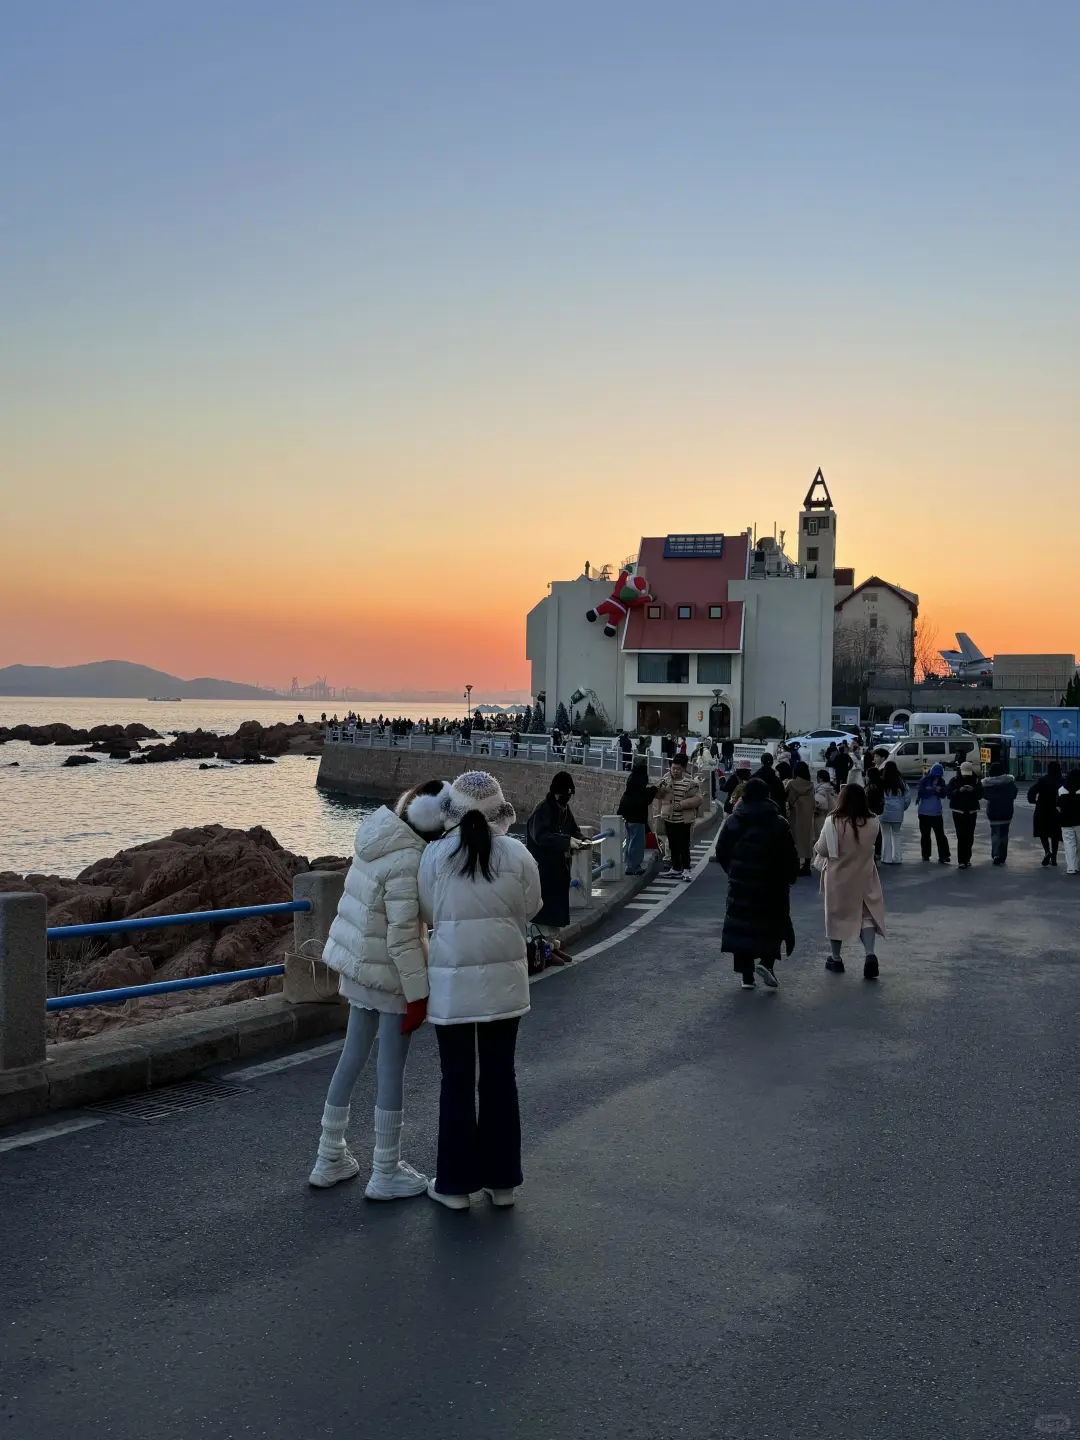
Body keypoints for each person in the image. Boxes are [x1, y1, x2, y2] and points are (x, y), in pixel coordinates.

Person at [310, 779, 449, 1197]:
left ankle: (328, 1156)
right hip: (390, 976)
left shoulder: (375, 835)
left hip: (357, 968)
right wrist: (418, 995)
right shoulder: (408, 859)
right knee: (391, 1068)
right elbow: (403, 938)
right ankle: (385, 1169)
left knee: (351, 1057)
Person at [419, 772, 542, 1209]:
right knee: (499, 1078)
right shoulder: (518, 853)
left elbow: (428, 910)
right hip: (505, 984)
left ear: (449, 812)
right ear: (500, 811)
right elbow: (533, 907)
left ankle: (454, 1186)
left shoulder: (435, 856)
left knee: (455, 1080)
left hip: (451, 986)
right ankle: (503, 1181)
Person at [716, 778, 800, 989]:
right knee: (770, 924)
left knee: (742, 926)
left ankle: (746, 976)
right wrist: (790, 877)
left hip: (741, 883)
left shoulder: (734, 820)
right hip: (772, 885)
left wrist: (733, 871)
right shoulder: (778, 822)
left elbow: (721, 850)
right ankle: (766, 963)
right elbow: (790, 855)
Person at [813, 783, 885, 980]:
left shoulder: (833, 821)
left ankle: (836, 958)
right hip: (865, 874)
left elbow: (822, 849)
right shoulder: (873, 821)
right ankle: (870, 954)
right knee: (866, 915)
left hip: (838, 876)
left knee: (836, 916)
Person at [526, 770, 586, 938]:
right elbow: (540, 836)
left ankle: (553, 944)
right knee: (543, 912)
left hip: (560, 868)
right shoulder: (542, 810)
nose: (565, 800)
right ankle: (543, 946)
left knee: (556, 912)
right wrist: (566, 842)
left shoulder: (565, 809)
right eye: (562, 796)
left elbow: (574, 829)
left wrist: (582, 840)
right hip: (544, 868)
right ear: (554, 793)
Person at [657, 752, 704, 880]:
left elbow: (699, 799)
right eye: (673, 768)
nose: (675, 771)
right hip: (669, 818)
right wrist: (659, 788)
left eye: (678, 769)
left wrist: (682, 804)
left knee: (684, 845)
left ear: (683, 769)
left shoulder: (690, 783)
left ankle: (686, 869)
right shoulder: (666, 781)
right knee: (672, 845)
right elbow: (658, 796)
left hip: (684, 820)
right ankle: (676, 868)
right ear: (670, 768)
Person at [617, 762, 657, 874]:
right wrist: (654, 789)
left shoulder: (632, 778)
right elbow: (644, 798)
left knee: (630, 840)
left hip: (628, 815)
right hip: (637, 817)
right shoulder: (640, 779)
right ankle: (633, 867)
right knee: (637, 843)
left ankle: (630, 864)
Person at [947, 762, 984, 869]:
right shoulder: (954, 780)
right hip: (958, 811)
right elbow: (949, 794)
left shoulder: (976, 780)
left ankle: (967, 858)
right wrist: (959, 790)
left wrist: (973, 790)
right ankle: (961, 860)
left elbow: (981, 795)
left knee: (969, 836)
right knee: (961, 836)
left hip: (971, 811)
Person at [982, 761, 1018, 866]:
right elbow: (1014, 793)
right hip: (1007, 810)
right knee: (1004, 833)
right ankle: (1002, 855)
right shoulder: (1009, 782)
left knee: (995, 833)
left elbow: (985, 796)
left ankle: (996, 854)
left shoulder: (987, 784)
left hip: (993, 811)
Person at [1028, 762, 1063, 867]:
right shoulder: (1062, 781)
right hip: (1056, 810)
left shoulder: (1043, 780)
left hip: (1042, 808)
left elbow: (1032, 791)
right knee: (1055, 834)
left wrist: (1033, 801)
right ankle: (1054, 857)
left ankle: (1047, 851)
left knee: (1043, 832)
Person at [784, 760, 816, 876]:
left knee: (795, 839)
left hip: (796, 814)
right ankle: (807, 865)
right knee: (807, 839)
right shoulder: (810, 784)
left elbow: (789, 798)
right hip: (807, 814)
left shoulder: (792, 783)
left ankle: (796, 865)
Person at [916, 763, 951, 864]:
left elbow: (944, 795)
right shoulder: (924, 780)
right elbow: (921, 792)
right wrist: (933, 790)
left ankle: (943, 855)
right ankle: (926, 854)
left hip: (935, 812)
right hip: (924, 812)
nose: (936, 777)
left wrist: (940, 791)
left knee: (939, 835)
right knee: (926, 835)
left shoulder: (942, 781)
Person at [878, 761, 912, 864]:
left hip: (884, 812)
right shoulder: (901, 782)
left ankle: (886, 858)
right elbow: (907, 798)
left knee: (885, 834)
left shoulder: (882, 782)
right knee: (896, 834)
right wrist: (902, 808)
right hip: (898, 813)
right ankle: (897, 858)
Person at [1057, 769, 1080, 875]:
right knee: (1079, 844)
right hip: (1079, 821)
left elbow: (1058, 806)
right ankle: (1078, 865)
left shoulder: (1061, 790)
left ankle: (1070, 867)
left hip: (1065, 821)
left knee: (1069, 844)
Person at [814, 769, 838, 840]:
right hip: (831, 816)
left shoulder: (821, 790)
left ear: (820, 778)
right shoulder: (831, 788)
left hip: (822, 817)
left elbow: (819, 804)